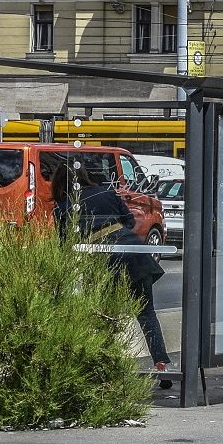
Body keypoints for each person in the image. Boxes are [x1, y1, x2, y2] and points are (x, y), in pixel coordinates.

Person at [59, 164, 173, 389]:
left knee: (104, 316)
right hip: (134, 253)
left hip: (105, 260)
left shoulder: (63, 207)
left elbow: (64, 243)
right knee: (147, 313)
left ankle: (105, 370)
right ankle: (162, 366)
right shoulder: (107, 193)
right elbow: (130, 221)